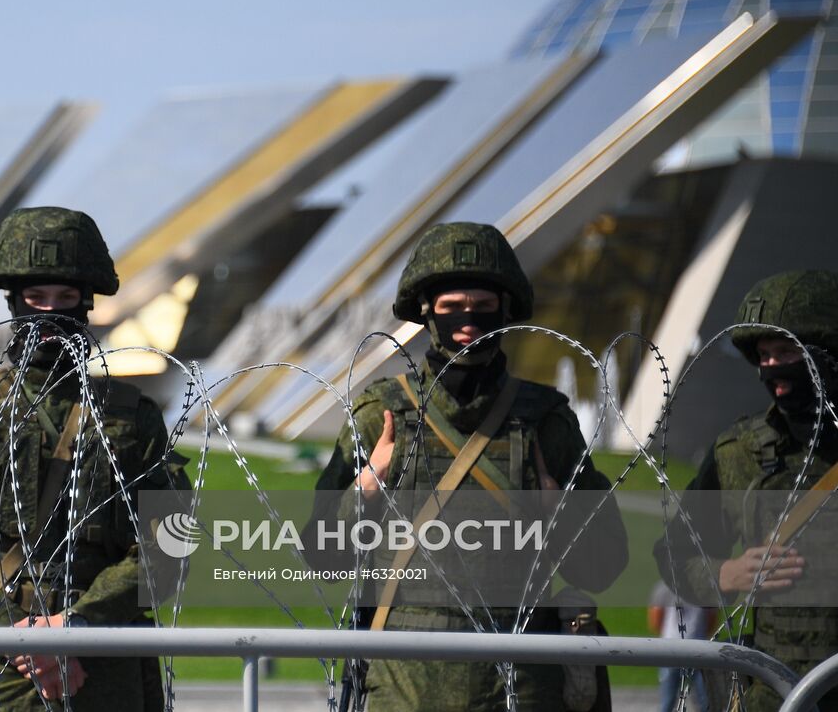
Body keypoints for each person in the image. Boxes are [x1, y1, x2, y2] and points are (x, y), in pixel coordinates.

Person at [308, 221, 627, 712]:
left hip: (520, 688)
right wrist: (365, 491)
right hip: (404, 690)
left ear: (506, 310)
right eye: (451, 307)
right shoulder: (380, 417)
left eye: (483, 308)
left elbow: (607, 564)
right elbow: (320, 558)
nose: (468, 322)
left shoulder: (543, 422)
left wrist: (558, 511)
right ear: (426, 312)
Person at [0, 206, 191, 711]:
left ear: (87, 304)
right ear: (14, 303)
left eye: (65, 298)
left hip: (102, 662)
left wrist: (77, 628)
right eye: (36, 298)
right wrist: (16, 637)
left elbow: (168, 545)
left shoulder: (132, 418)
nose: (49, 313)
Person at [654, 269, 838, 712]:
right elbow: (674, 556)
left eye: (787, 351)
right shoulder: (739, 453)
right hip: (777, 691)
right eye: (764, 354)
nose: (772, 366)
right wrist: (725, 575)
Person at [647, 580, 713, 712]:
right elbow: (711, 620)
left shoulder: (665, 587)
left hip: (677, 649)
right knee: (702, 700)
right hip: (692, 649)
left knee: (702, 700)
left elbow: (655, 620)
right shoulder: (706, 589)